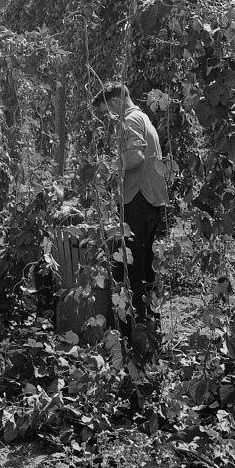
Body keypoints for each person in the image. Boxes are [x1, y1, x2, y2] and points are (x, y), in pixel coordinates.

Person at [91, 82, 171, 352]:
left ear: (114, 103)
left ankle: (132, 330)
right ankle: (149, 324)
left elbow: (135, 157)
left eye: (106, 112)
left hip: (138, 200)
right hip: (151, 200)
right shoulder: (144, 118)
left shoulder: (129, 119)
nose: (109, 118)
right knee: (146, 266)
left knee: (130, 266)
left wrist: (112, 173)